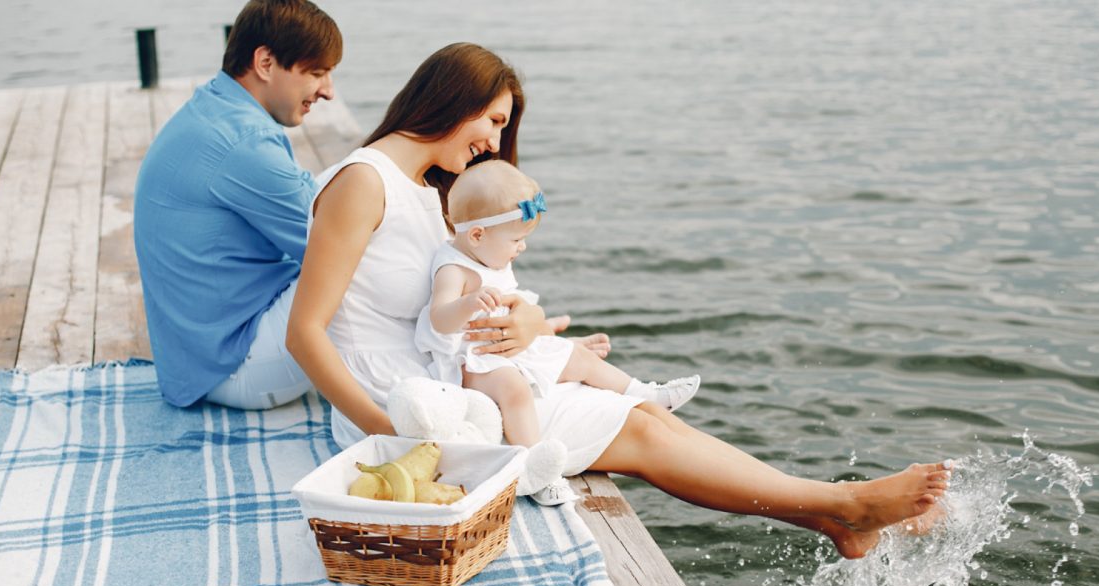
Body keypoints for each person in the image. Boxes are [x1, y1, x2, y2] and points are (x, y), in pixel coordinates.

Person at [285, 42, 950, 559]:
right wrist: (385, 434)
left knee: (643, 414)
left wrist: (527, 322)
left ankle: (834, 512)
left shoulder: (428, 187)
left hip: (446, 378)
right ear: (450, 97)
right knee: (639, 428)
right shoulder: (363, 182)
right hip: (407, 406)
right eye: (491, 120)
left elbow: (455, 286)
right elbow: (306, 332)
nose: (493, 141)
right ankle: (841, 506)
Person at [415, 159, 701, 505]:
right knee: (515, 389)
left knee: (576, 357)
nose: (522, 247)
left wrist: (545, 332)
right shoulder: (453, 268)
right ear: (477, 235)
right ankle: (534, 466)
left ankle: (646, 393)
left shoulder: (489, 253)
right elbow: (439, 320)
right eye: (517, 239)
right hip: (473, 359)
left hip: (504, 345)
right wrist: (469, 302)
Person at [133, 0, 340, 409]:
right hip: (235, 365)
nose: (329, 90)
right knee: (360, 270)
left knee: (337, 198)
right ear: (265, 62)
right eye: (316, 73)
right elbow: (339, 249)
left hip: (196, 359)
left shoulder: (216, 108)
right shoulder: (244, 143)